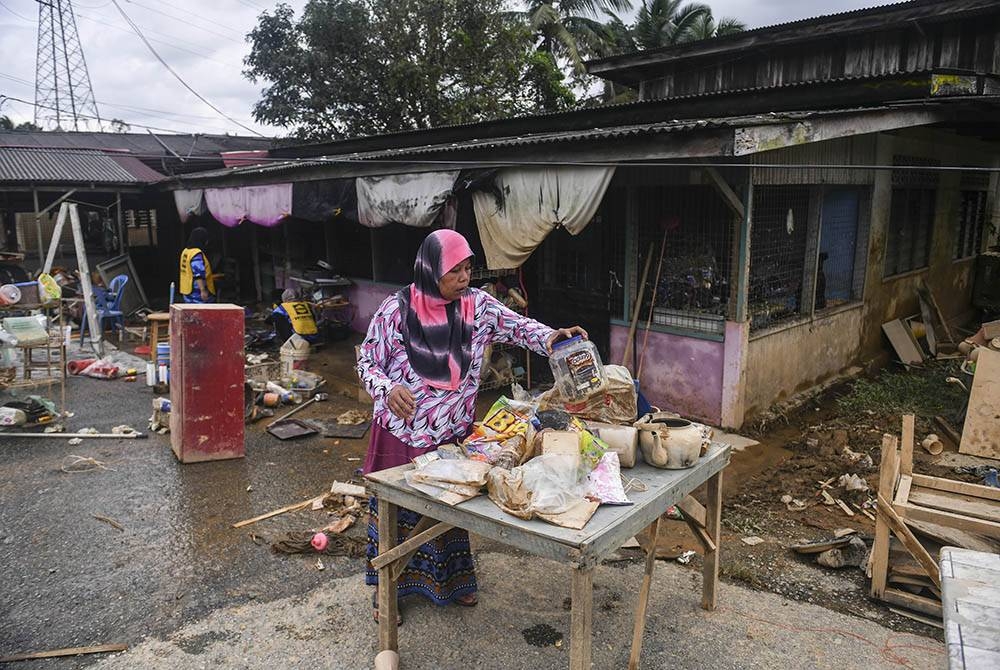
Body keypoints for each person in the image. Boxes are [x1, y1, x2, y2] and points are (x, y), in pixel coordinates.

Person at [356, 229, 586, 623]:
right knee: (397, 514)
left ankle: (454, 583)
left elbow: (520, 327)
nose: (465, 278)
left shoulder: (477, 306)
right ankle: (386, 593)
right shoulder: (394, 311)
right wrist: (386, 388)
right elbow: (367, 362)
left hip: (451, 435)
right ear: (431, 271)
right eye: (455, 271)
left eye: (467, 269)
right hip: (403, 433)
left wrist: (552, 338)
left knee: (451, 511)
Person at [178, 227, 215, 304]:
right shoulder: (196, 254)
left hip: (186, 290)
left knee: (191, 314)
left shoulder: (186, 251)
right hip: (196, 292)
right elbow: (198, 274)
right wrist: (203, 290)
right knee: (202, 313)